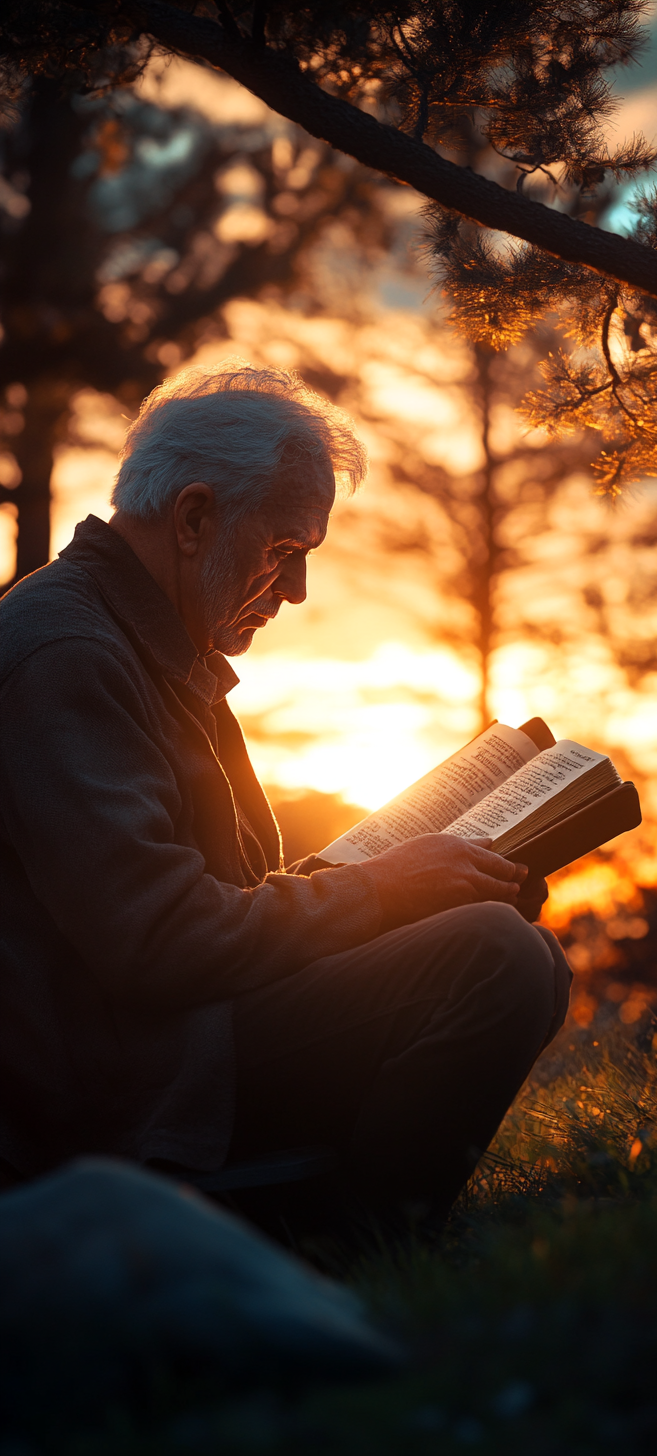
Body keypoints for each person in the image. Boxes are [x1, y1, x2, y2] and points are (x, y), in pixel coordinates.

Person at [0, 363, 571, 1230]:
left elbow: (209, 906)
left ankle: (330, 1223)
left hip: (178, 1037)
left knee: (515, 944)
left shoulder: (147, 641)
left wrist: (417, 887)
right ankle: (338, 1253)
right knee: (493, 959)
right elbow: (158, 940)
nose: (297, 592)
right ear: (194, 518)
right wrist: (380, 890)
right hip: (123, 1084)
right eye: (286, 550)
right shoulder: (67, 651)